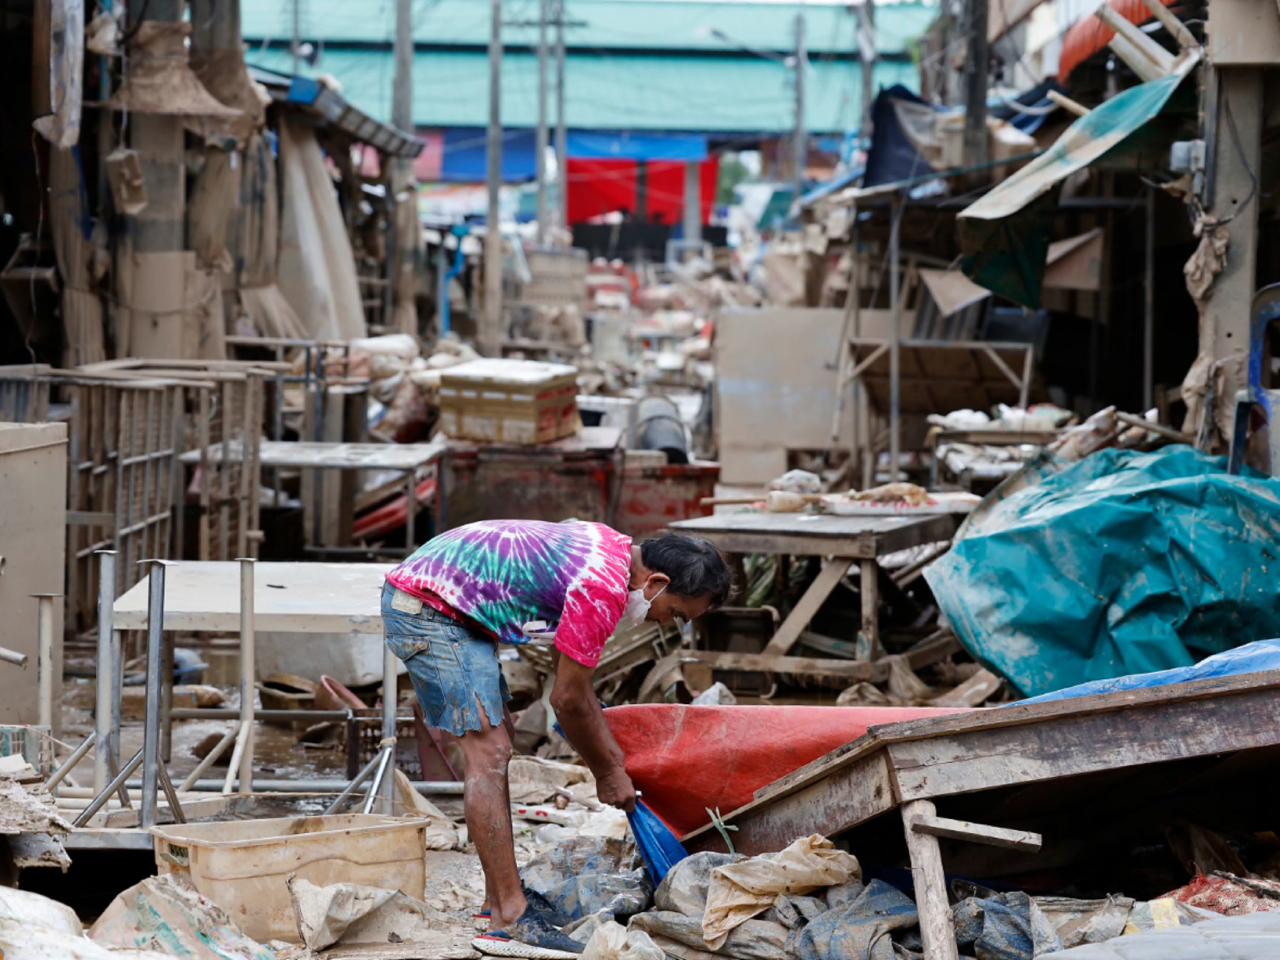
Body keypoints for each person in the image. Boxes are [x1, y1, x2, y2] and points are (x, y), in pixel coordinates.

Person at [381, 519, 732, 959]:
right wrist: (607, 772)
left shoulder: (614, 550)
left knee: (498, 740)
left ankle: (497, 900)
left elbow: (577, 687)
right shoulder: (603, 588)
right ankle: (508, 917)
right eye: (676, 613)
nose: (666, 624)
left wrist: (610, 756)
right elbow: (566, 699)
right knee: (489, 750)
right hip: (427, 605)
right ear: (657, 582)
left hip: (449, 600)